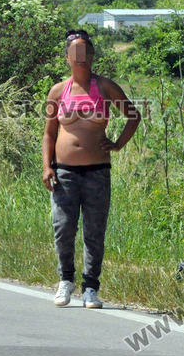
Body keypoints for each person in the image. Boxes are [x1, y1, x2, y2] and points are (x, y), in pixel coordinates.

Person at [42, 29, 141, 308]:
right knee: (63, 227)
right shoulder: (58, 90)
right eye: (75, 52)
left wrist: (119, 143)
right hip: (64, 173)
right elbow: (49, 133)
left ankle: (90, 288)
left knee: (94, 231)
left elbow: (133, 116)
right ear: (67, 58)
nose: (80, 57)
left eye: (85, 51)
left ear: (92, 55)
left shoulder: (106, 87)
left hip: (97, 171)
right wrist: (46, 166)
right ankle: (66, 280)